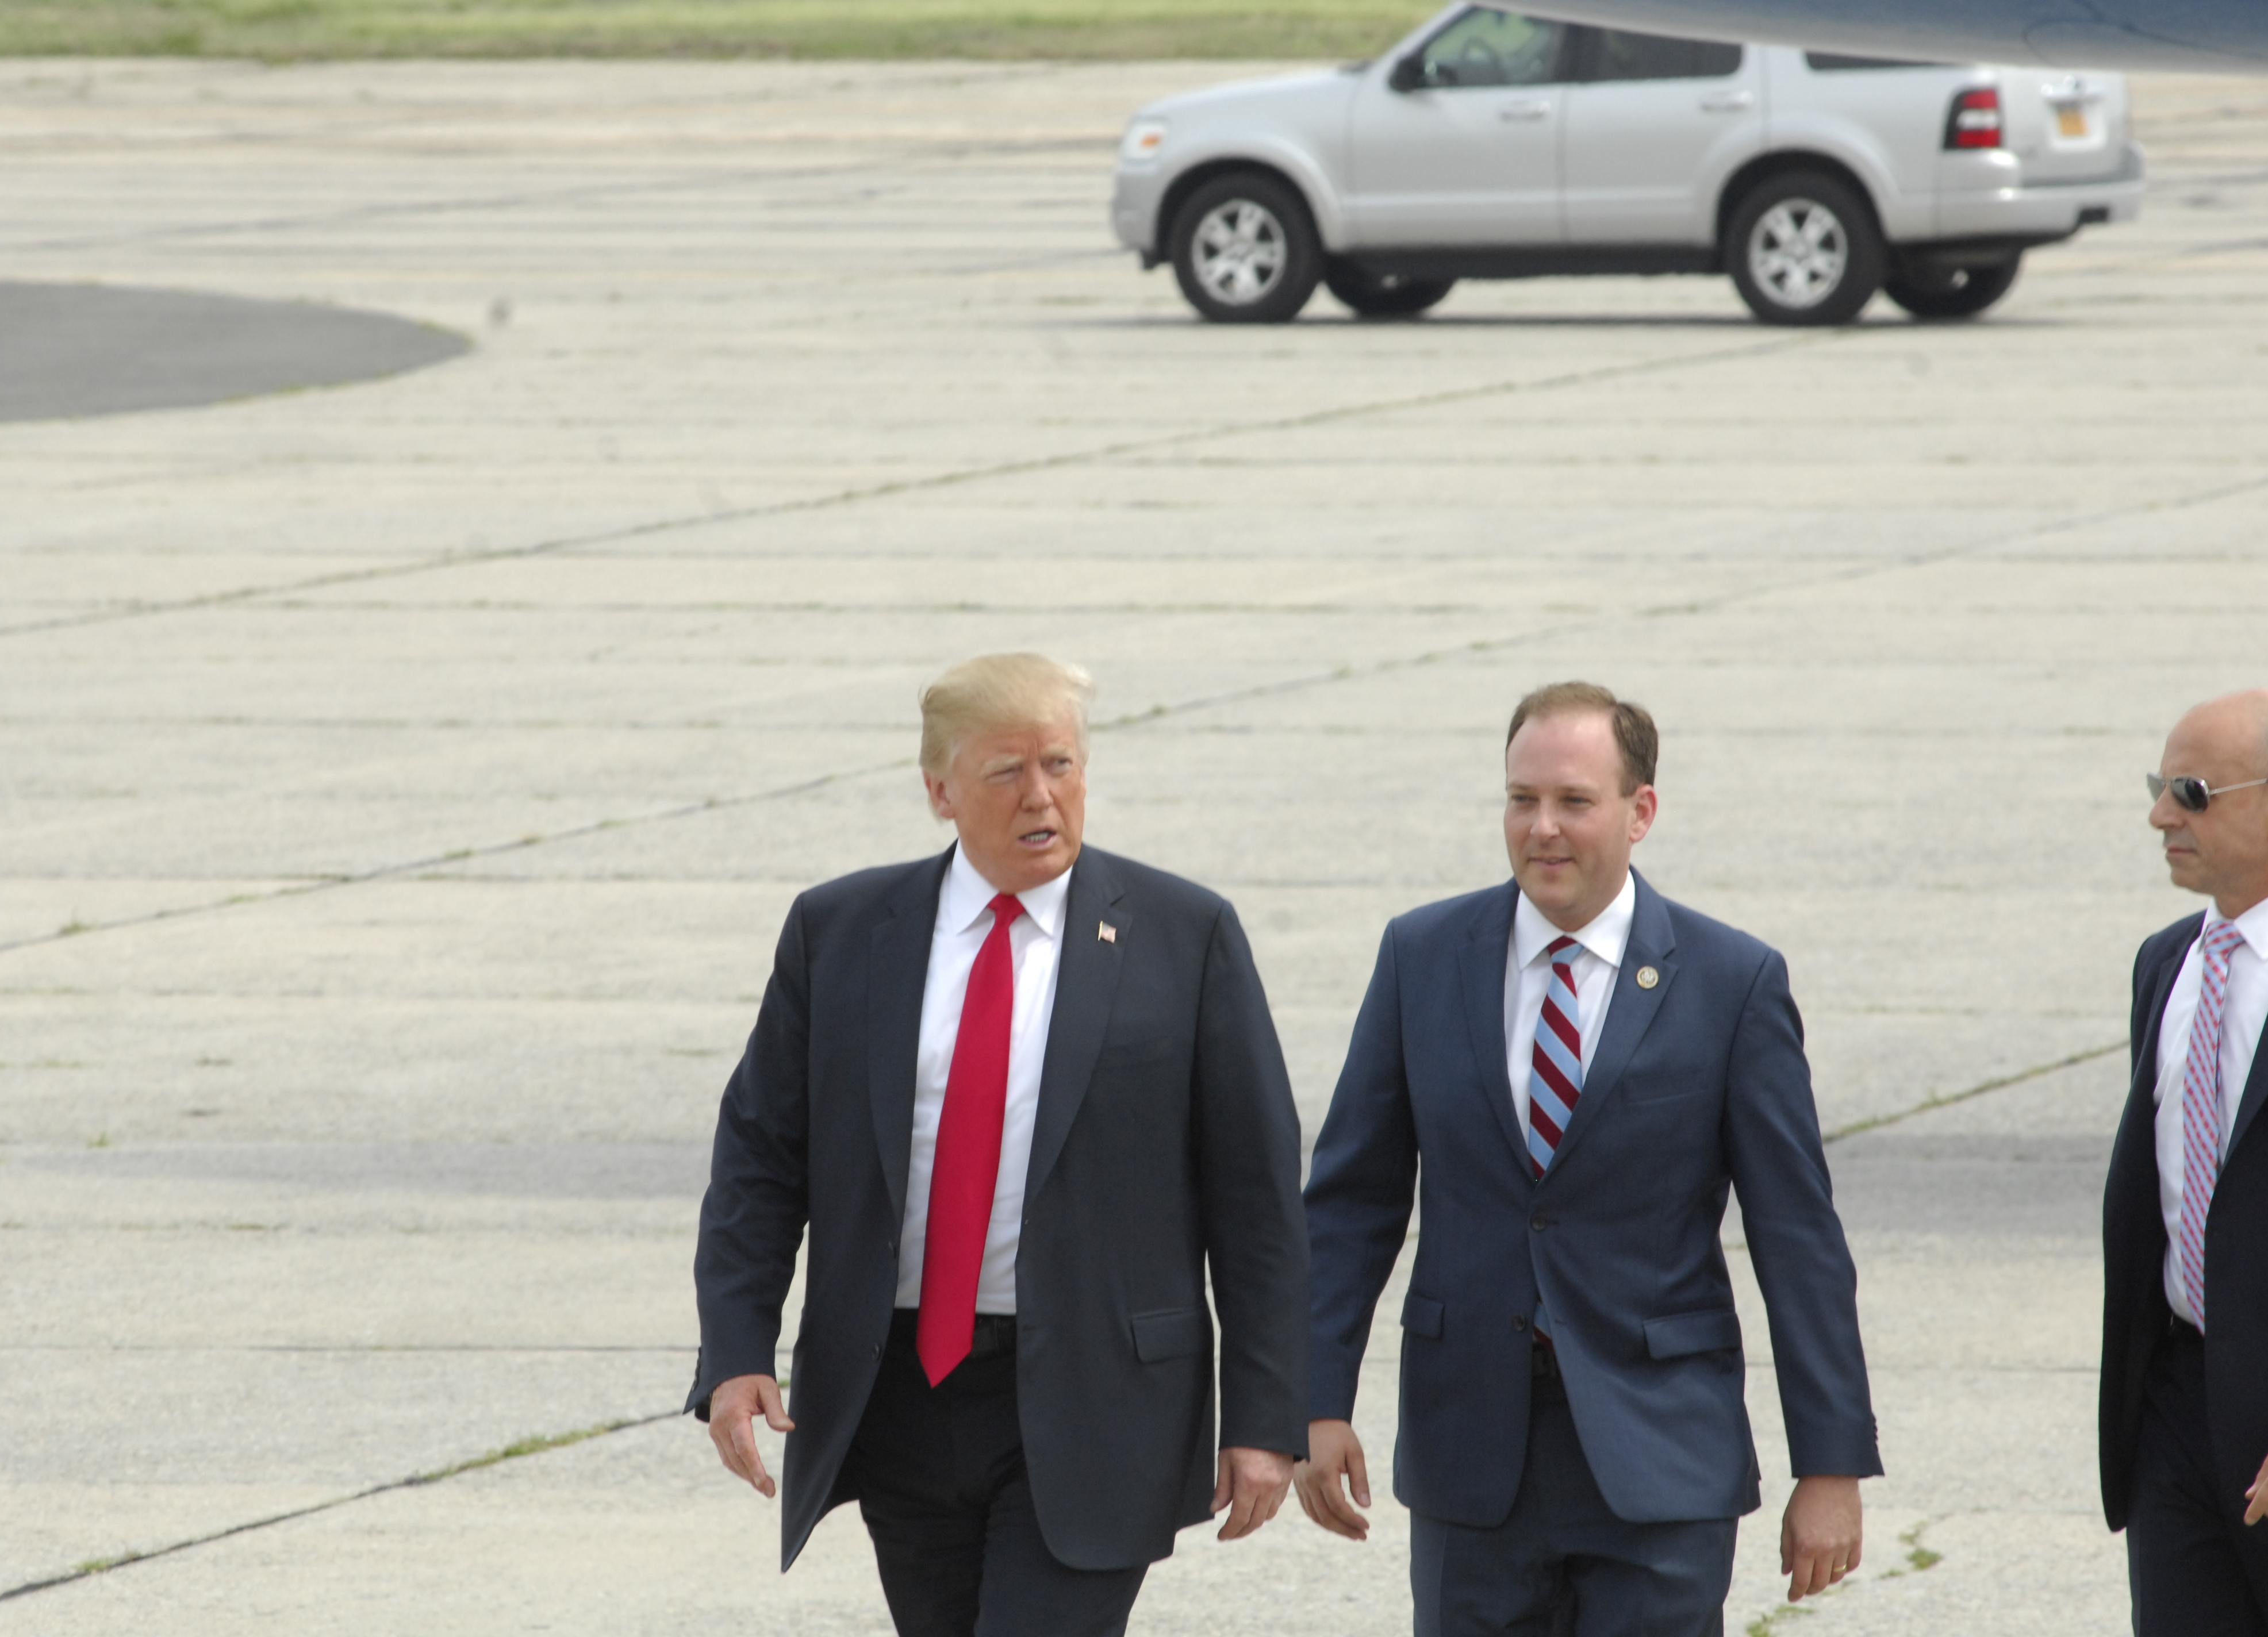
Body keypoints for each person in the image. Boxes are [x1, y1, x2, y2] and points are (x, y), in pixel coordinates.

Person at [689, 652, 1307, 1637]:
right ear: (940, 792)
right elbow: (761, 1159)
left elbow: (1259, 1200)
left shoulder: (1182, 937)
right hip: (903, 1391)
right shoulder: (841, 932)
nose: (1042, 798)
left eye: (1061, 766)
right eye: (1006, 774)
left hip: (1098, 1396)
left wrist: (1269, 1417)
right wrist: (735, 1349)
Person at [1295, 680, 1881, 1636]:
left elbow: (1798, 1238)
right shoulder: (1423, 956)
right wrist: (1313, 1401)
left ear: (1640, 811)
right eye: (1522, 800)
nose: (1542, 829)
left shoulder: (1731, 983)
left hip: (1659, 1455)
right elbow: (1350, 1203)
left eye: (1574, 801)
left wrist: (1831, 1465)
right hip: (1472, 1455)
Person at [2100, 689, 2268, 1635]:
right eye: (2160, 787)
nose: (2162, 815)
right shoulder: (2167, 965)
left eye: (2192, 792)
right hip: (2177, 1430)